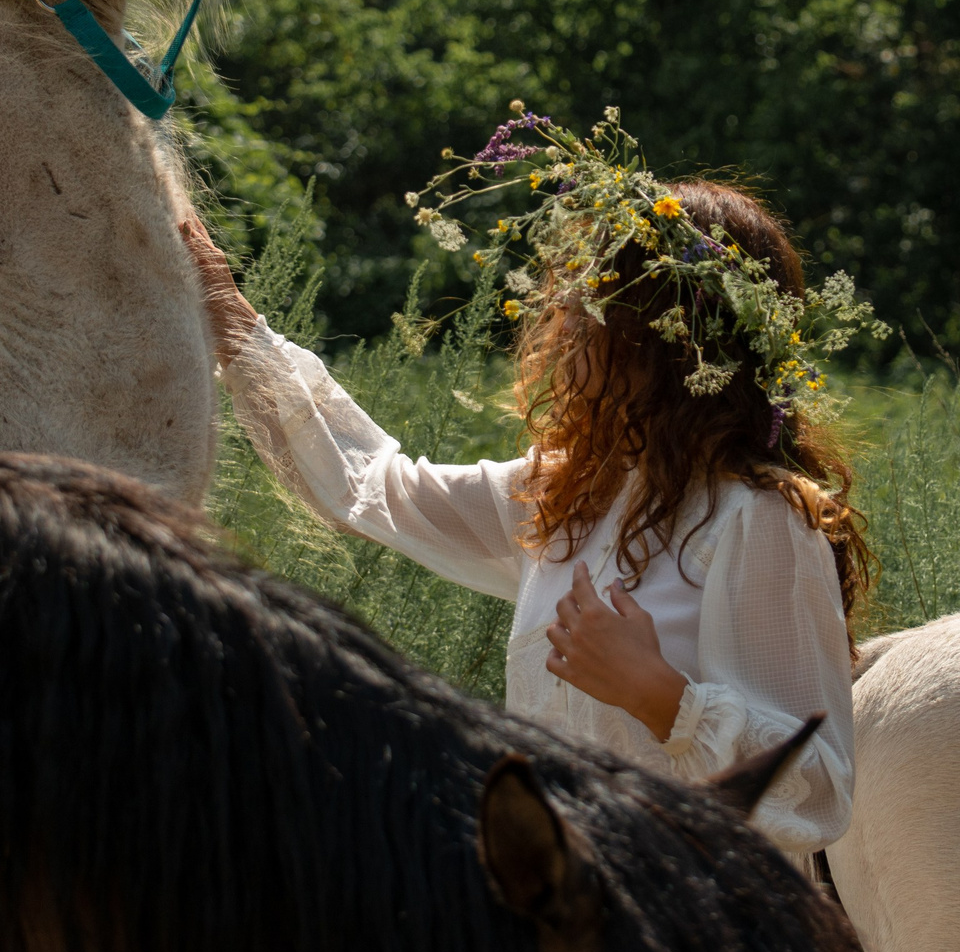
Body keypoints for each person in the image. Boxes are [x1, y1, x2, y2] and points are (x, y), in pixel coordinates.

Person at [177, 177, 868, 863]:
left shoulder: (764, 517)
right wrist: (234, 326)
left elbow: (821, 792)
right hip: (568, 914)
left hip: (702, 935)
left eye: (598, 293)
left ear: (667, 334)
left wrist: (663, 697)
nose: (565, 313)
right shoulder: (571, 493)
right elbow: (373, 487)